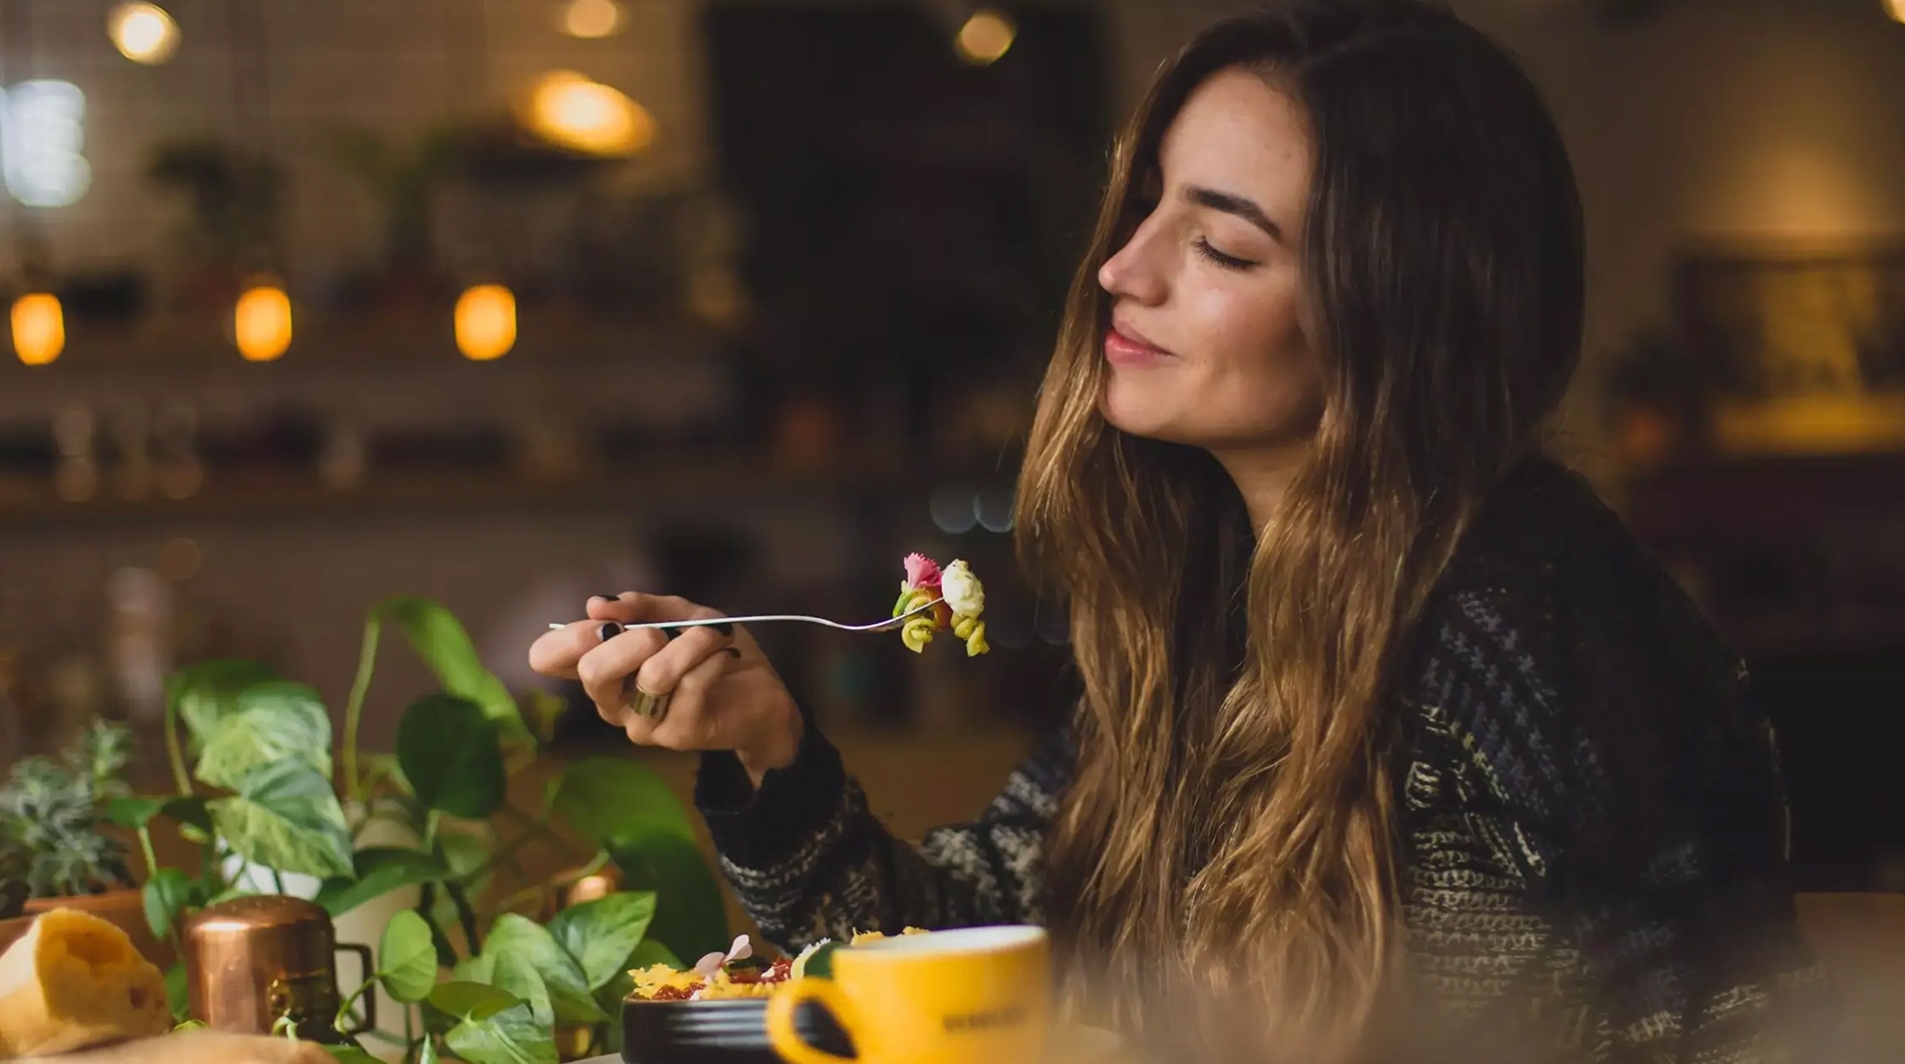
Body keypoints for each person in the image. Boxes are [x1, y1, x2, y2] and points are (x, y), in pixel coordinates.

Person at [530, 2, 1825, 1060]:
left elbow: (1716, 1022)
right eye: (1144, 204)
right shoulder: (1220, 605)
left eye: (1218, 243)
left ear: (1396, 313)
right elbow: (971, 939)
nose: (1120, 268)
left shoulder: (1513, 619)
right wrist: (768, 746)